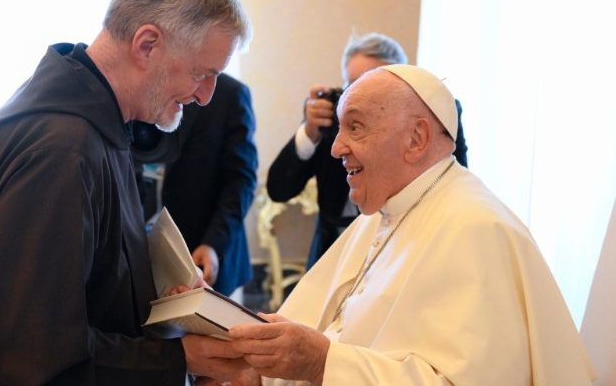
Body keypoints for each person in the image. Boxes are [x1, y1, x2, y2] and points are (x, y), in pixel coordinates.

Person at [0, 0, 252, 384]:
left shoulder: (92, 120)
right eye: (202, 73)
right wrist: (178, 358)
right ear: (147, 45)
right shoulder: (62, 150)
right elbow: (27, 355)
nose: (206, 96)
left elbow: (83, 276)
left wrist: (159, 293)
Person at [228, 65, 594, 385]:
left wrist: (324, 363)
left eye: (355, 127)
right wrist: (260, 373)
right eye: (339, 129)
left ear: (416, 139)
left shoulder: (477, 230)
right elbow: (324, 329)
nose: (337, 148)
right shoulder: (380, 213)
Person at [266, 33, 468, 269]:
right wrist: (309, 132)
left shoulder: (436, 114)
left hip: (404, 251)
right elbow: (279, 189)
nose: (338, 149)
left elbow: (453, 180)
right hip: (331, 254)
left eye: (375, 86)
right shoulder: (331, 116)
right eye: (351, 86)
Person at [140, 72, 258, 299]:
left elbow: (241, 181)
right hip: (146, 255)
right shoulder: (142, 87)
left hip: (207, 252)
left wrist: (214, 243)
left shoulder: (229, 94)